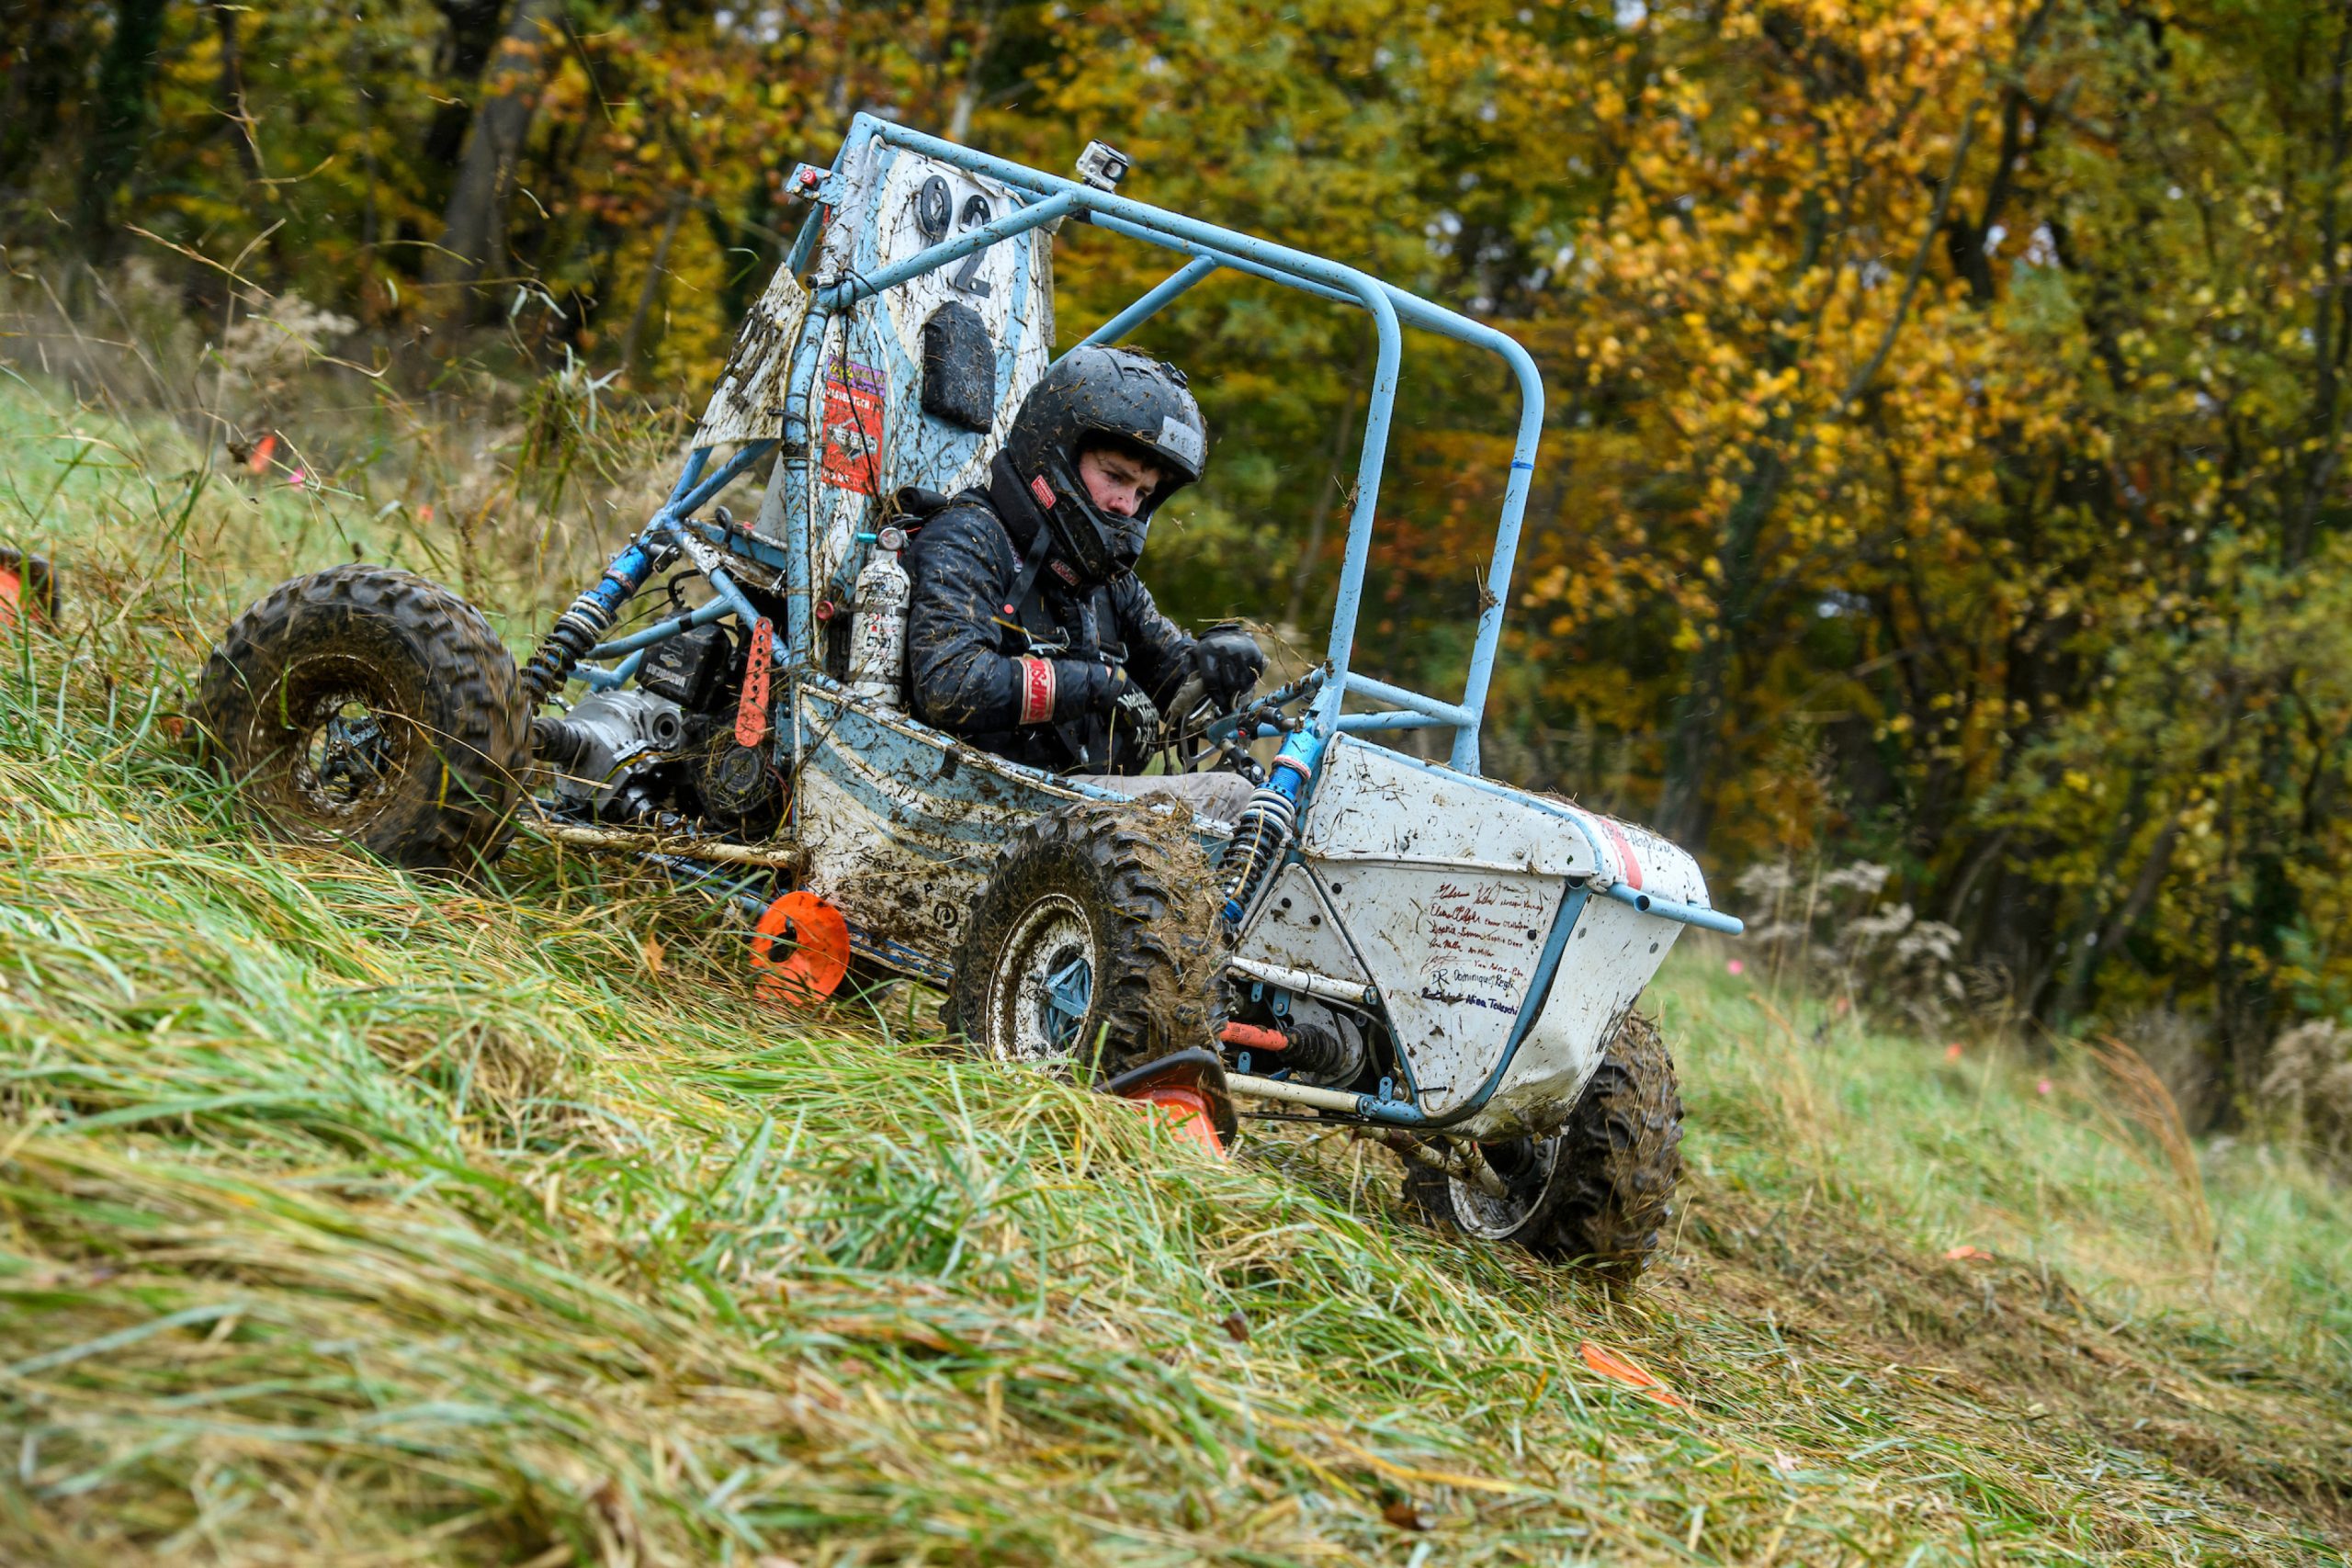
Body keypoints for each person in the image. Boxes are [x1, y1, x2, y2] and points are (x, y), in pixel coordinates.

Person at [903, 344, 1266, 822]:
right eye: (1115, 477)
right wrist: (1097, 684)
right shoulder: (970, 535)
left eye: (1142, 493)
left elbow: (1173, 677)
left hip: (1069, 826)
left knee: (1280, 796)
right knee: (1238, 802)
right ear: (1053, 453)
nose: (1126, 506)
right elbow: (950, 684)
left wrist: (1220, 666)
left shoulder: (1109, 584)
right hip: (976, 808)